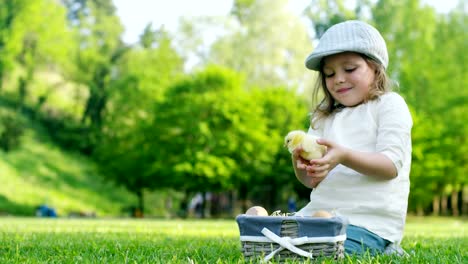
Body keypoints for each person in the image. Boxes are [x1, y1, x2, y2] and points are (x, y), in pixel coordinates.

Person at [292, 20, 413, 255]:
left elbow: (390, 166)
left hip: (368, 222)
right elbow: (310, 181)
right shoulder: (323, 118)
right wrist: (303, 167)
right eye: (329, 73)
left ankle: (387, 246)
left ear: (376, 68)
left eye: (349, 69)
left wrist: (344, 156)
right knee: (276, 241)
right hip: (319, 216)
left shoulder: (389, 105)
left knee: (323, 251)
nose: (338, 79)